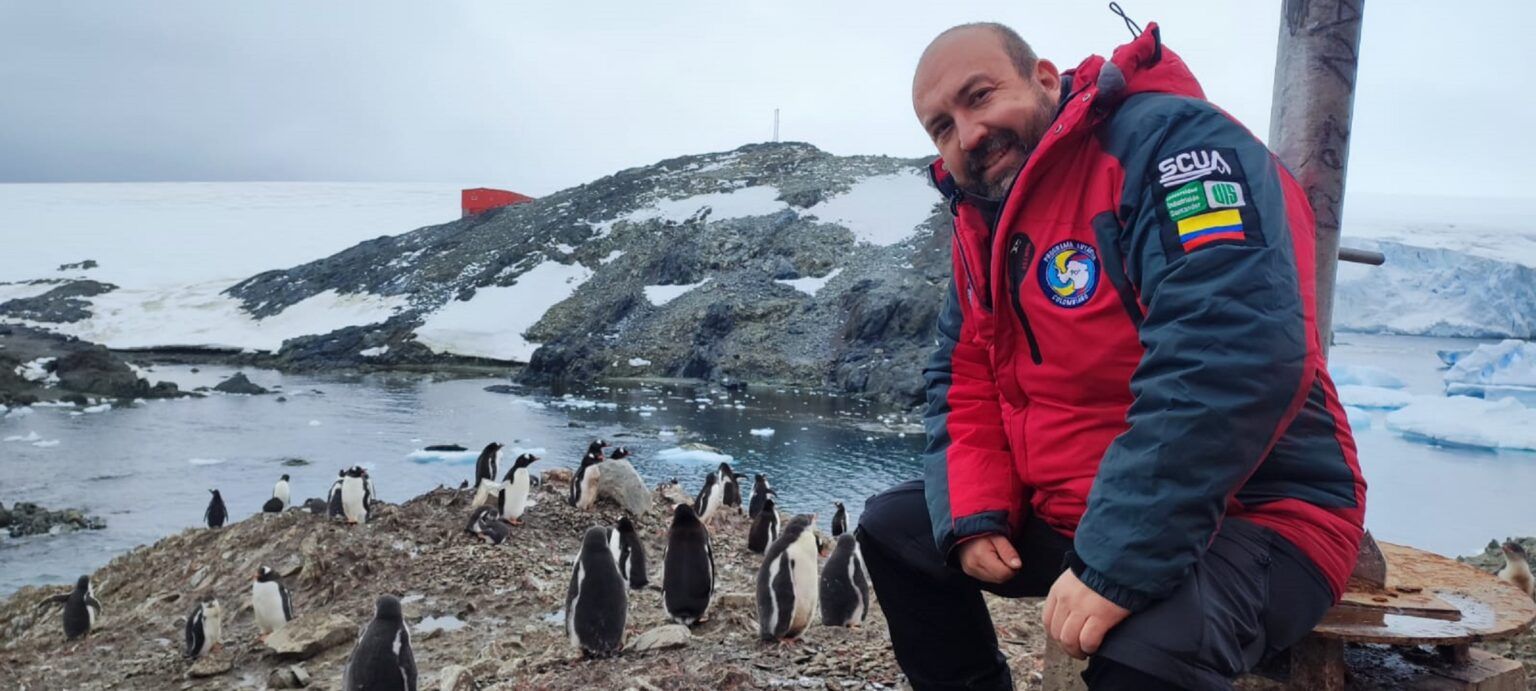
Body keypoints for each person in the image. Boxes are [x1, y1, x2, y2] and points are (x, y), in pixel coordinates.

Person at [855, 19, 1367, 691]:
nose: (968, 134)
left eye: (979, 97)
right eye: (942, 128)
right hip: (1086, 505)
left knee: (1146, 651)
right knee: (898, 532)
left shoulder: (1172, 147)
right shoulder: (981, 219)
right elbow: (963, 371)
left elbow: (1228, 355)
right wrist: (974, 511)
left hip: (1260, 507)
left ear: (1043, 77)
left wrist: (1115, 564)